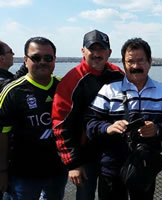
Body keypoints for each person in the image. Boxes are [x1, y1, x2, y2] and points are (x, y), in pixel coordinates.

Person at [85, 37, 162, 200]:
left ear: (150, 61)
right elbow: (90, 123)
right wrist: (108, 128)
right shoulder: (109, 90)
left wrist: (156, 130)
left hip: (145, 168)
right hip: (112, 169)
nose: (135, 66)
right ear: (123, 63)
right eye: (130, 61)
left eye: (141, 61)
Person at [52, 29, 124, 200]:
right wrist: (73, 163)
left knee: (114, 194)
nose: (97, 54)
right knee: (85, 196)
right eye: (92, 49)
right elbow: (59, 123)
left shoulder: (117, 74)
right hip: (84, 155)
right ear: (83, 51)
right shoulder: (72, 80)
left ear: (109, 52)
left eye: (102, 49)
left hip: (112, 152)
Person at [0, 37, 67, 199]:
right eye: (36, 58)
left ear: (54, 60)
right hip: (24, 173)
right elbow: (2, 134)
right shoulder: (12, 92)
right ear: (25, 60)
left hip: (58, 170)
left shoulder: (64, 86)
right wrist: (2, 171)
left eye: (48, 58)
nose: (42, 62)